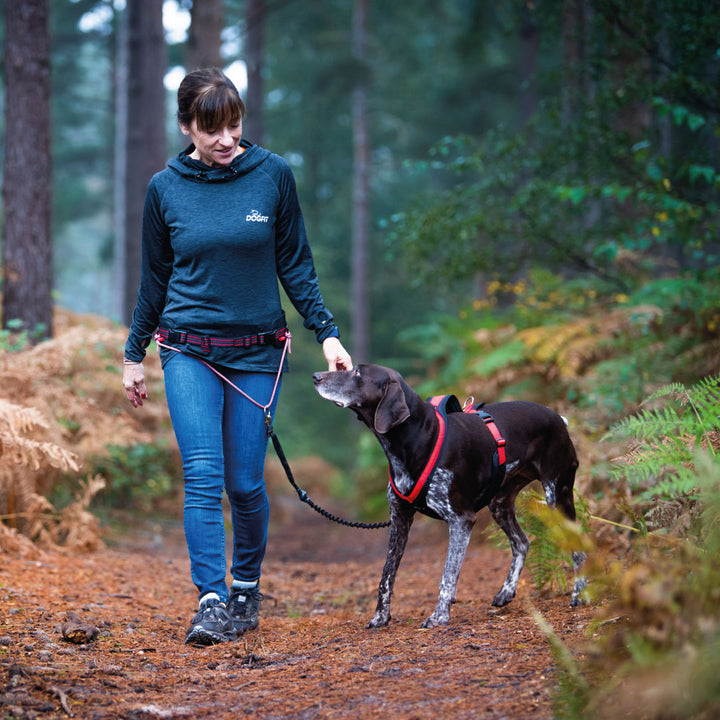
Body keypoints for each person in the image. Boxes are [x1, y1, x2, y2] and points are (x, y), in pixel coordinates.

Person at [122, 67, 352, 646]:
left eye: (233, 125)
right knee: (203, 475)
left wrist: (326, 331)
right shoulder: (164, 188)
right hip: (186, 348)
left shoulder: (272, 176)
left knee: (246, 484)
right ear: (186, 126)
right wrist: (133, 354)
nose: (225, 139)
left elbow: (295, 263)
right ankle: (212, 600)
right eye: (211, 129)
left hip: (257, 352)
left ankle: (246, 583)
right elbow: (154, 280)